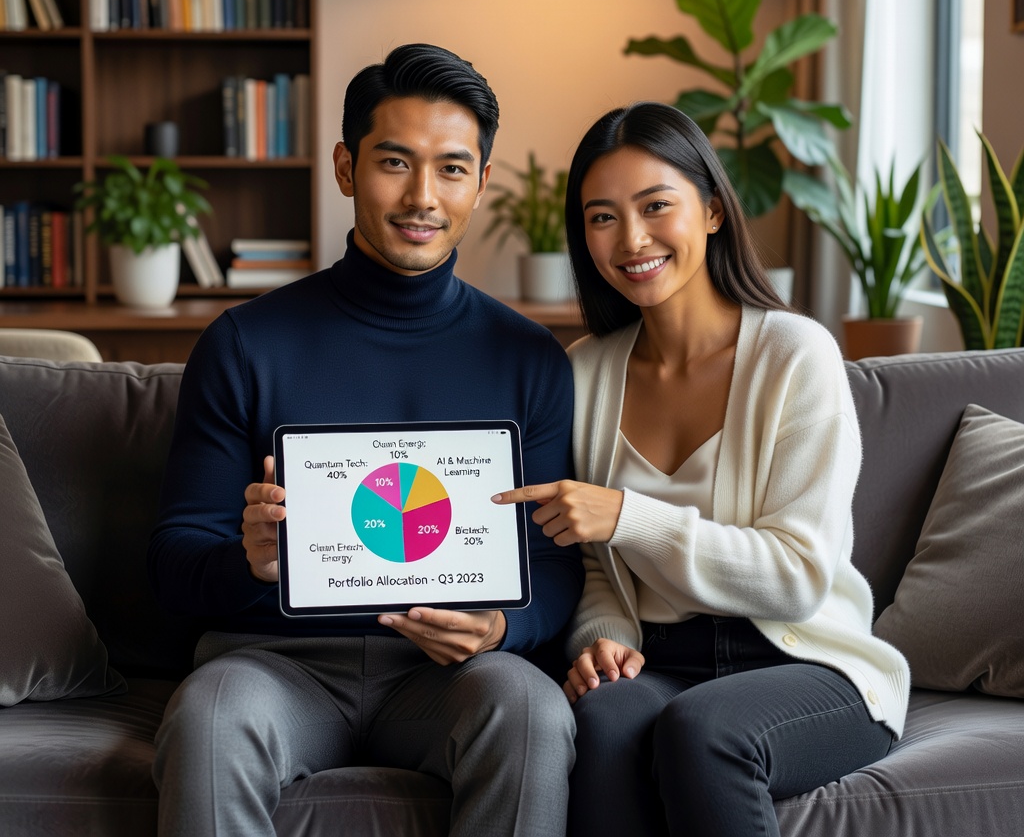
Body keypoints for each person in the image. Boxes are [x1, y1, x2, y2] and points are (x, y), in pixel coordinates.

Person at [148, 43, 583, 837]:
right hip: (274, 665)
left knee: (530, 706)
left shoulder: (532, 360)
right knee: (210, 713)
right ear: (347, 168)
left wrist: (499, 628)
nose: (422, 197)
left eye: (452, 169)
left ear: (482, 182)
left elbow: (553, 566)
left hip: (448, 675)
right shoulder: (245, 343)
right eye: (394, 162)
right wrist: (249, 561)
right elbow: (174, 563)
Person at [494, 102, 910, 837]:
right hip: (657, 659)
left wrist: (629, 516)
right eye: (602, 217)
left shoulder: (796, 354)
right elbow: (593, 565)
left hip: (804, 658)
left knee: (704, 729)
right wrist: (603, 638)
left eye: (656, 206)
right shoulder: (584, 372)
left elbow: (799, 577)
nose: (632, 238)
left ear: (713, 210)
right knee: (601, 719)